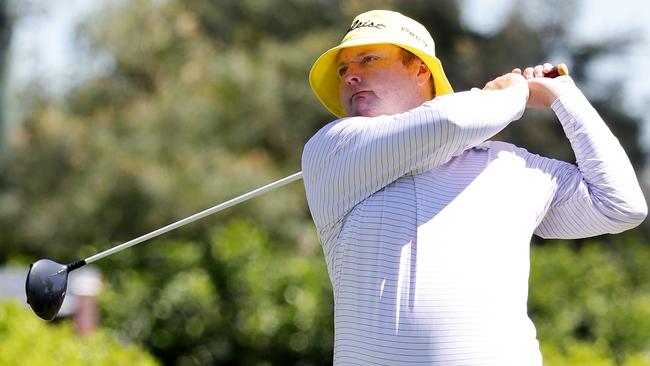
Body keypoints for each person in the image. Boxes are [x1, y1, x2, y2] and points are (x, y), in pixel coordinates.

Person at [301, 9, 647, 366]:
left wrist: (563, 97)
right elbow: (450, 121)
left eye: (368, 59)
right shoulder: (334, 149)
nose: (351, 76)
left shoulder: (512, 167)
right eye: (343, 70)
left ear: (420, 69)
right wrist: (514, 93)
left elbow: (620, 204)